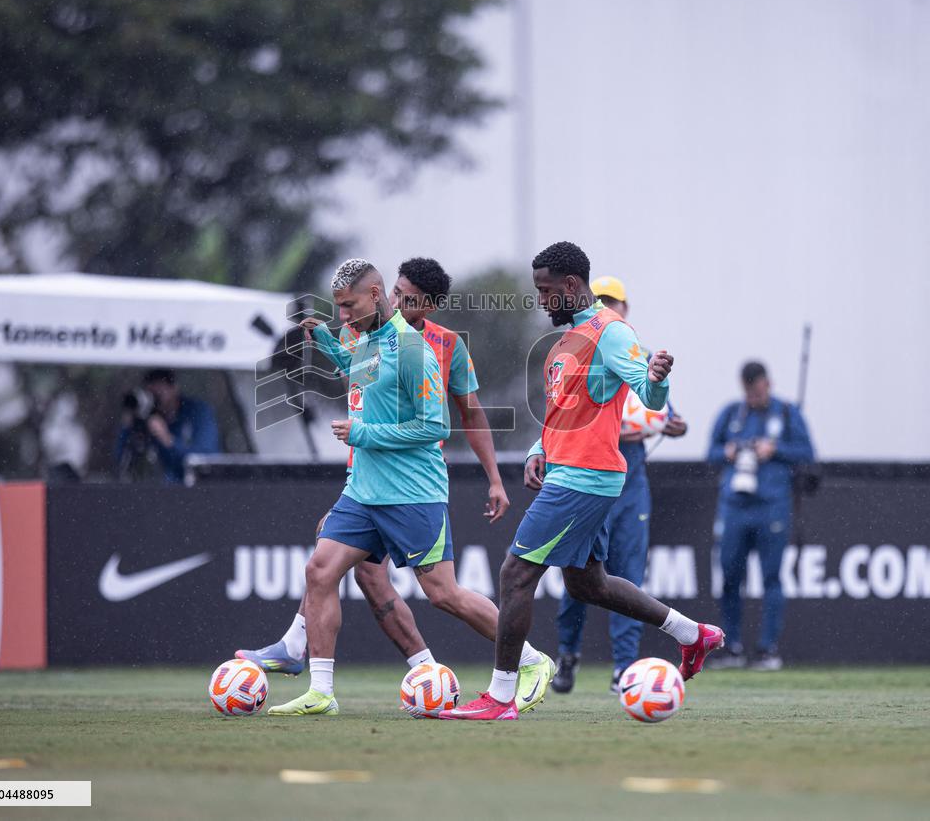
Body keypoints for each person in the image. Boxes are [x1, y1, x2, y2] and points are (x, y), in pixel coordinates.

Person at [441, 241, 723, 721]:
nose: (541, 300)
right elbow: (561, 411)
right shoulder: (566, 339)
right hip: (570, 470)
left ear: (571, 286)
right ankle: (692, 634)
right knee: (588, 585)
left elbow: (650, 397)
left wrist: (657, 378)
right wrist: (537, 450)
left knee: (515, 574)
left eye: (546, 291)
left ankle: (501, 697)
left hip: (586, 476)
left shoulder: (611, 332)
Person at [265, 259, 550, 717]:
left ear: (375, 296)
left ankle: (533, 661)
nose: (342, 315)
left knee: (444, 595)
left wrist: (364, 435)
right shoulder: (367, 339)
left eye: (348, 306)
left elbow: (433, 425)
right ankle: (321, 692)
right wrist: (325, 343)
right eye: (337, 308)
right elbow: (360, 376)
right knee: (320, 571)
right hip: (363, 492)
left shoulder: (413, 348)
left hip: (413, 493)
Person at [551, 275, 689, 696]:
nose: (610, 307)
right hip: (586, 468)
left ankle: (624, 668)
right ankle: (568, 654)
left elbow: (660, 408)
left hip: (629, 477)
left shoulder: (637, 354)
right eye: (603, 300)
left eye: (616, 302)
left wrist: (673, 425)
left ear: (626, 309)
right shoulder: (579, 349)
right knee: (578, 575)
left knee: (627, 572)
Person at [708, 361, 815, 670]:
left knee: (771, 578)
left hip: (772, 507)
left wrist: (775, 449)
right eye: (748, 392)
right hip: (735, 508)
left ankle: (768, 649)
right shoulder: (732, 414)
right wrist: (727, 452)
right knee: (729, 577)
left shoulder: (786, 413)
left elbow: (807, 453)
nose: (753, 396)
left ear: (768, 383)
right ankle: (733, 648)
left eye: (757, 390)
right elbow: (711, 453)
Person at [114, 368, 220, 483]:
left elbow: (206, 459)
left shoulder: (197, 412)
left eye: (158, 394)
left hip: (192, 490)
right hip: (152, 491)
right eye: (150, 394)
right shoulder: (144, 417)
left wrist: (168, 439)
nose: (154, 400)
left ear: (174, 388)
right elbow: (121, 459)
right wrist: (128, 425)